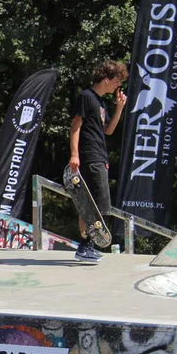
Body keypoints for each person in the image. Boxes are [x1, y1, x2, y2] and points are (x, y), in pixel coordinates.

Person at [68, 60, 128, 264]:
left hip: (100, 156)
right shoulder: (87, 97)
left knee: (95, 203)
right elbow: (75, 126)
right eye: (116, 82)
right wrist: (74, 154)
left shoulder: (101, 103)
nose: (117, 87)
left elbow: (108, 130)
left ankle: (86, 246)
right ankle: (85, 246)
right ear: (106, 79)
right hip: (89, 156)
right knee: (96, 205)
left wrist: (119, 107)